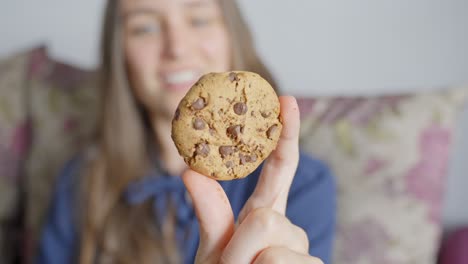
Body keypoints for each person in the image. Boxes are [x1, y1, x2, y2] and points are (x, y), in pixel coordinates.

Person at [37, 0, 336, 263]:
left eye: (199, 19)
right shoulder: (80, 182)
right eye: (145, 28)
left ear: (232, 33)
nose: (177, 48)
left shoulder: (304, 186)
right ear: (120, 54)